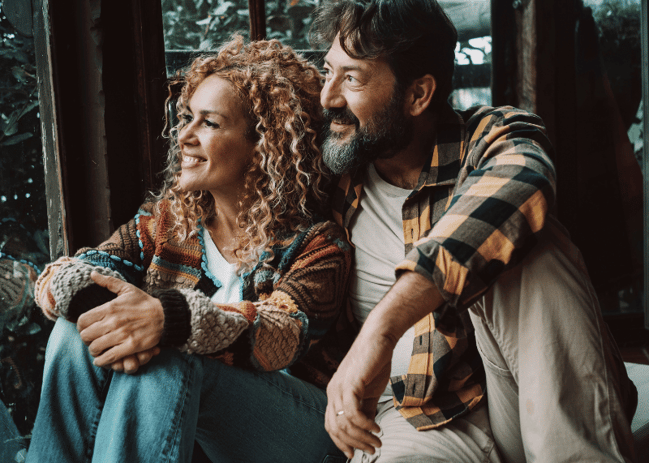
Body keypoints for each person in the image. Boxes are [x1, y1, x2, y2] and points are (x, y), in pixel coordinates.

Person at [309, 1, 638, 462]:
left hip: (527, 396)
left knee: (531, 245)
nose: (328, 97)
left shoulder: (491, 134)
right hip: (418, 416)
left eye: (353, 78)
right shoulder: (331, 173)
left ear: (419, 95)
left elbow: (524, 181)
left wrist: (380, 331)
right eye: (328, 71)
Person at [26, 36, 352, 463]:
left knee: (169, 355)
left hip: (298, 428)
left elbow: (281, 334)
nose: (184, 137)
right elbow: (62, 277)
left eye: (209, 123)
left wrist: (169, 319)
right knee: (76, 332)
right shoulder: (167, 222)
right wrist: (107, 313)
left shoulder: (318, 243)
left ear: (263, 145)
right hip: (191, 420)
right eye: (187, 118)